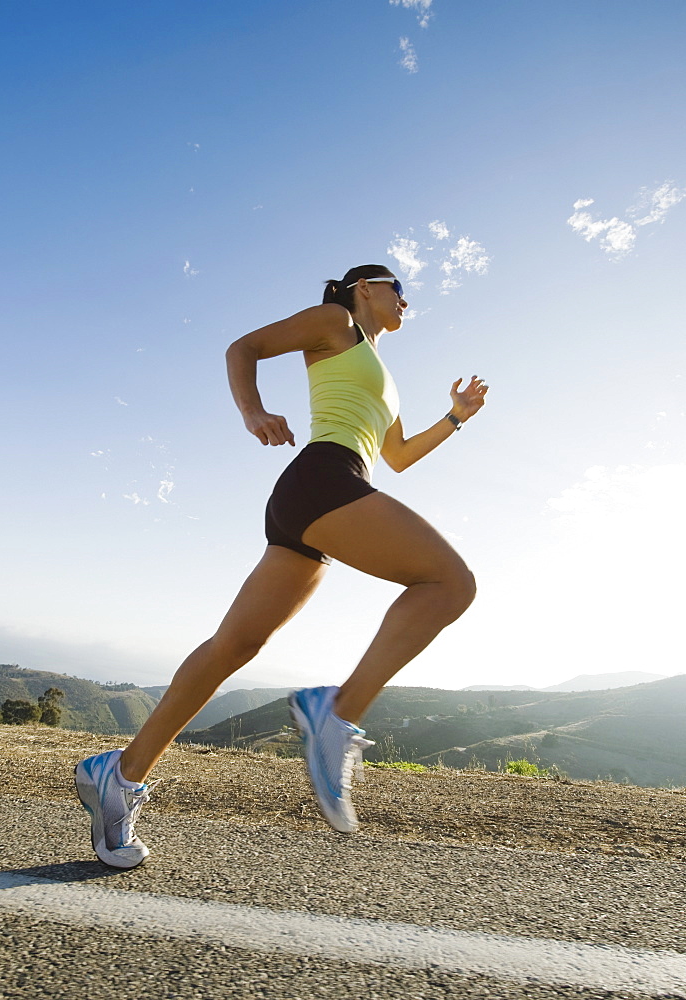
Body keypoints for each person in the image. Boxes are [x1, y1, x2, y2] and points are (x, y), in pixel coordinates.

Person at [75, 264, 488, 868]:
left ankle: (119, 773)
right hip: (322, 479)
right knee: (450, 583)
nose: (408, 302)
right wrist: (253, 412)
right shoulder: (336, 321)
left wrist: (455, 418)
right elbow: (244, 347)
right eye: (401, 289)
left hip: (322, 496)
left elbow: (396, 457)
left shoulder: (381, 370)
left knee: (233, 646)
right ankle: (337, 712)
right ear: (367, 286)